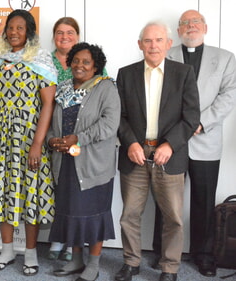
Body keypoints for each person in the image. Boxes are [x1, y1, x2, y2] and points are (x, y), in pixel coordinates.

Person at [150, 10, 236, 278]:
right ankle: (162, 252)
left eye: (195, 22)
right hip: (171, 141)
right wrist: (178, 130)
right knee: (166, 200)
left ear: (206, 27)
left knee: (203, 200)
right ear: (177, 30)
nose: (191, 26)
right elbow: (156, 94)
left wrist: (199, 123)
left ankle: (204, 254)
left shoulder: (225, 58)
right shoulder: (166, 53)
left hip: (206, 139)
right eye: (185, 23)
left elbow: (228, 95)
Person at [115, 21, 200, 281]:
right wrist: (130, 143)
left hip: (169, 157)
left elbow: (191, 117)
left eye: (159, 40)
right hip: (135, 156)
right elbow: (119, 115)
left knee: (173, 217)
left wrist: (169, 145)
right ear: (139, 44)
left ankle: (170, 268)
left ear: (168, 43)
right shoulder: (126, 74)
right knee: (129, 215)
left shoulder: (183, 73)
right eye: (148, 41)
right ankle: (131, 263)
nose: (153, 46)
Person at [0, 9, 57, 276]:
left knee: (30, 193)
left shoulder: (41, 59)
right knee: (2, 191)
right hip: (0, 137)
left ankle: (31, 254)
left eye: (20, 28)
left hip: (28, 138)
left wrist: (37, 143)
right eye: (10, 27)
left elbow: (48, 105)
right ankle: (7, 250)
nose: (13, 32)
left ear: (30, 32)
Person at [47, 43, 120, 281]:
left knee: (93, 214)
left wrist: (78, 138)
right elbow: (50, 122)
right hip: (65, 163)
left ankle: (94, 264)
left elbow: (109, 124)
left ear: (96, 65)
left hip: (94, 164)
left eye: (86, 62)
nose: (80, 65)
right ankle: (76, 260)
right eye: (76, 60)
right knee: (71, 214)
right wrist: (53, 141)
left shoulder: (106, 87)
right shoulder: (63, 88)